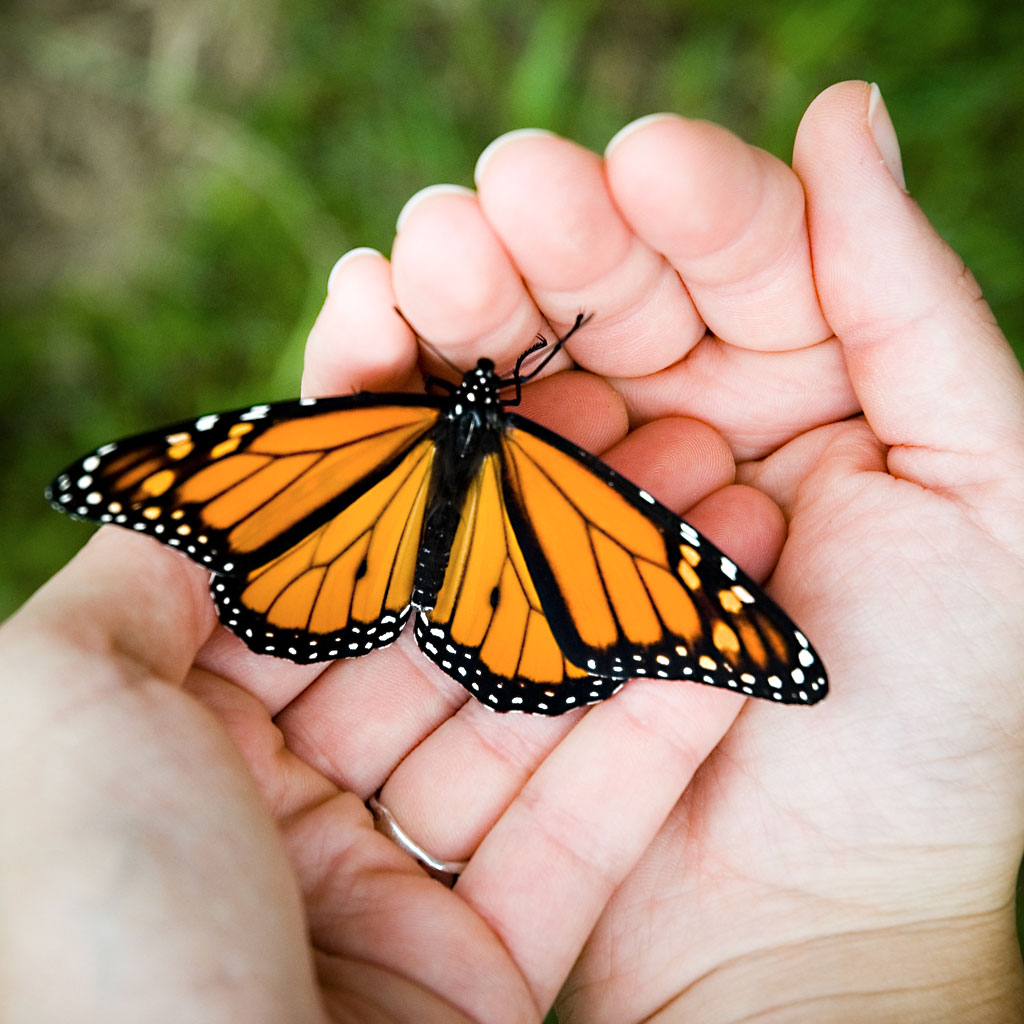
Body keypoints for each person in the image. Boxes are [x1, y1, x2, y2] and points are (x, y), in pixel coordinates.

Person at [2, 79, 1022, 1023]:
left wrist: (882, 944)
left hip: (354, 551)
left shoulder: (407, 425)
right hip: (499, 610)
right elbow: (651, 574)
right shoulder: (555, 469)